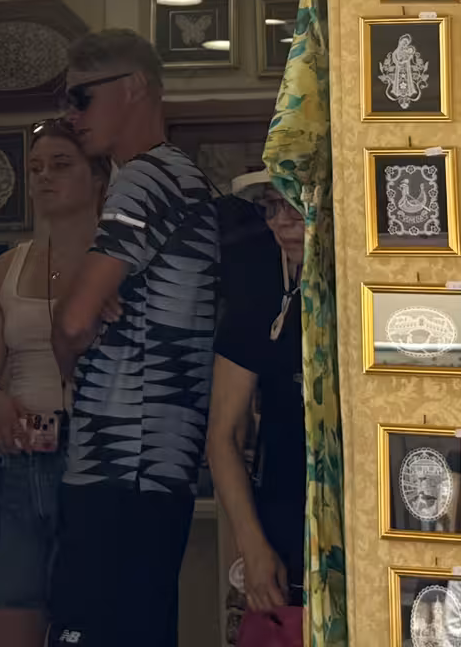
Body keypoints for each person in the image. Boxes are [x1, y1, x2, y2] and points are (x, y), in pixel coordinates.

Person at [49, 29, 221, 647]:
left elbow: (71, 321)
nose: (71, 116)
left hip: (120, 457)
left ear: (134, 88)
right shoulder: (186, 179)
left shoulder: (144, 179)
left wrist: (75, 333)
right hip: (160, 459)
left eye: (81, 97)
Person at [0, 120, 108, 647]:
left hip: (94, 463)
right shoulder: (6, 269)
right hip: (13, 464)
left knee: (92, 623)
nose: (44, 177)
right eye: (36, 167)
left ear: (97, 177)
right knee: (1, 624)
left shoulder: (122, 264)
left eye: (62, 165)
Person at [206, 169, 306, 646]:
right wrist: (251, 541)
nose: (281, 223)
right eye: (271, 207)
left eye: (296, 206)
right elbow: (223, 436)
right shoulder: (260, 294)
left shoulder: (372, 290)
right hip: (282, 509)